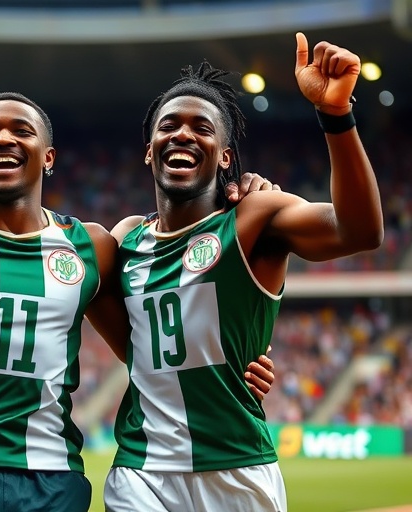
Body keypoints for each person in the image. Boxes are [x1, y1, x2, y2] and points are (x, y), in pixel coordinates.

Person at [0, 89, 275, 511]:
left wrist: (238, 360)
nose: (3, 139)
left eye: (22, 130)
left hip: (52, 478)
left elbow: (151, 338)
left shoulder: (91, 247)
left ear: (48, 158)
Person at [99, 33, 382, 511]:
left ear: (225, 157)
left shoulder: (254, 218)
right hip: (141, 471)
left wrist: (336, 116)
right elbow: (135, 344)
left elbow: (358, 231)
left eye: (203, 128)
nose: (183, 134)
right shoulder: (124, 238)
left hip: (237, 469)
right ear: (150, 151)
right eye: (169, 125)